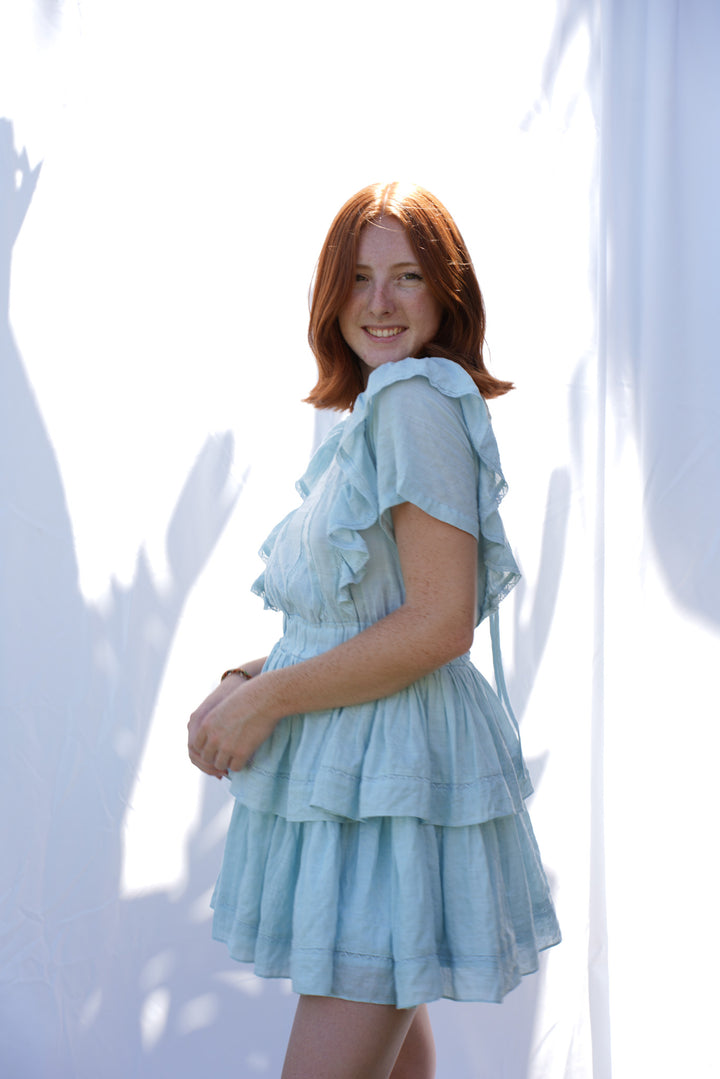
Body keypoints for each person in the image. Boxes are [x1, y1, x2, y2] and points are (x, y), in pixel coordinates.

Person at [188, 182, 561, 1079]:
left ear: (447, 295)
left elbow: (438, 624)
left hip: (388, 782)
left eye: (406, 276)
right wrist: (249, 677)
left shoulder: (415, 401)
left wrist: (267, 700)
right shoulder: (380, 406)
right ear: (332, 294)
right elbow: (359, 613)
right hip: (373, 780)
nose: (381, 302)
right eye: (358, 278)